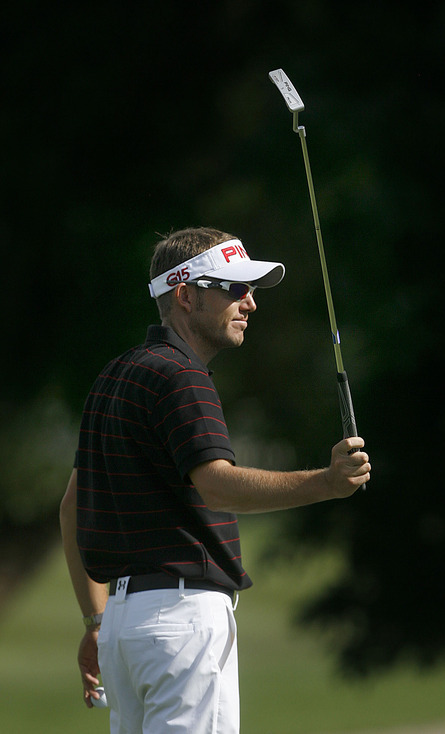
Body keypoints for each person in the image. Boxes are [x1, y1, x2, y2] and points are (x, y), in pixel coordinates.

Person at [60, 226, 370, 734]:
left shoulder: (116, 374)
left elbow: (72, 506)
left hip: (122, 627)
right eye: (232, 288)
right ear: (184, 296)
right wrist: (327, 483)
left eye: (248, 289)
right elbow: (218, 485)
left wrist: (95, 622)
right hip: (182, 623)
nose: (249, 303)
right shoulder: (182, 376)